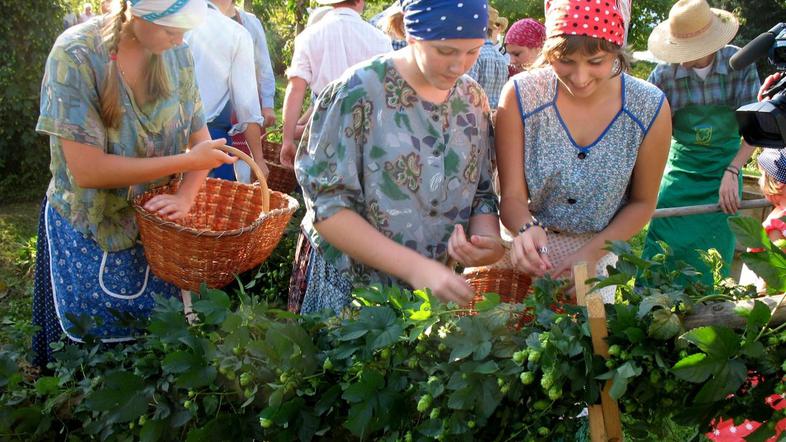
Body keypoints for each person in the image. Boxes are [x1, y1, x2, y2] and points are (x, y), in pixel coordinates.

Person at [32, 0, 236, 367]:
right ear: (137, 14)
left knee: (152, 355)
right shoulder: (76, 55)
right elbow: (87, 171)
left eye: (184, 30)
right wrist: (188, 162)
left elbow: (202, 141)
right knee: (86, 361)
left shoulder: (177, 56)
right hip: (87, 227)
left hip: (152, 233)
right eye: (171, 30)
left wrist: (186, 197)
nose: (179, 39)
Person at [289, 0, 504, 314]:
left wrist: (486, 240)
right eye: (445, 51)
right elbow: (328, 205)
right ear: (410, 33)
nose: (459, 66)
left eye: (472, 51)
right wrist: (415, 268)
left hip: (427, 291)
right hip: (351, 286)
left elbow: (481, 192)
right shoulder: (358, 91)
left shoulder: (472, 100)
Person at [494, 0, 672, 302]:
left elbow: (642, 203)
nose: (580, 77)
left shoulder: (648, 107)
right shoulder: (521, 95)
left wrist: (590, 255)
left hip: (599, 250)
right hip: (526, 251)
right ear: (548, 51)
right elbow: (511, 197)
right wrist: (525, 228)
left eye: (596, 61)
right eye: (565, 60)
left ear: (617, 51)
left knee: (587, 343)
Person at [642, 0, 761, 285]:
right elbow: (648, 135)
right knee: (661, 253)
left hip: (724, 174)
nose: (681, 57)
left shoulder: (739, 66)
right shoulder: (663, 76)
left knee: (712, 260)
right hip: (680, 174)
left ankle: (708, 317)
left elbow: (756, 130)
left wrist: (733, 171)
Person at [280, 0, 392, 168]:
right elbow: (387, 93)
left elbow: (296, 89)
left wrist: (287, 140)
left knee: (322, 185)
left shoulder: (310, 36)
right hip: (366, 131)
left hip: (322, 127)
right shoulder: (380, 39)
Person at [185, 1, 267, 181]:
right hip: (211, 144)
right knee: (213, 204)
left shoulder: (172, 20)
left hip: (163, 143)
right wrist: (258, 160)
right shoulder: (235, 33)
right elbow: (246, 104)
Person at [466, 6, 509, 108]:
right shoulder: (501, 58)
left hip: (476, 115)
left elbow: (467, 92)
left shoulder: (475, 55)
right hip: (495, 117)